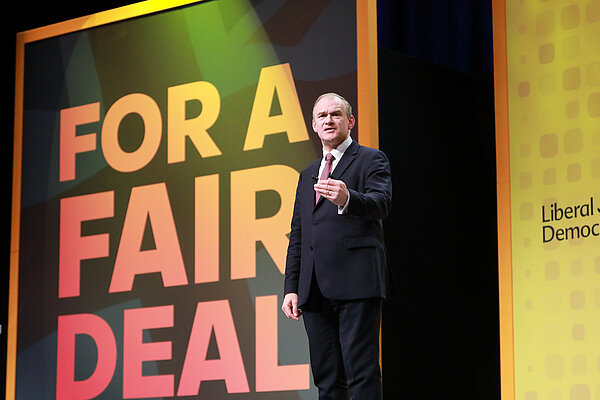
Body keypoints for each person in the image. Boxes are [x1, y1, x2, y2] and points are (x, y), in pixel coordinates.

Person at [282, 92, 392, 400]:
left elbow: (382, 204)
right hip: (314, 288)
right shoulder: (307, 175)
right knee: (327, 378)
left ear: (350, 121)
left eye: (336, 114)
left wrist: (347, 198)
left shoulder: (371, 159)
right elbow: (299, 233)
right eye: (322, 116)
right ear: (314, 126)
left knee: (361, 372)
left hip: (357, 282)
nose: (329, 120)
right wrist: (292, 287)